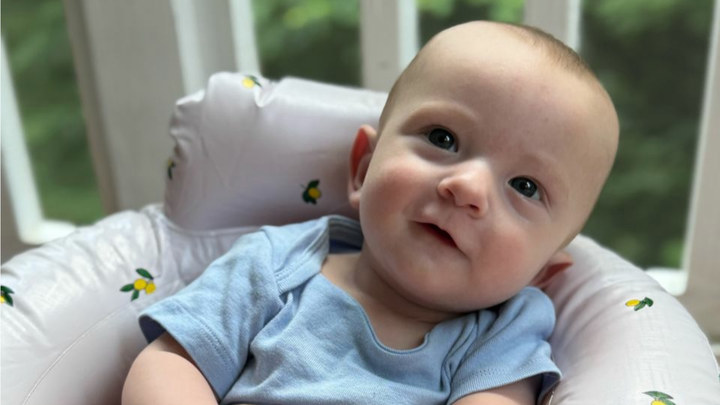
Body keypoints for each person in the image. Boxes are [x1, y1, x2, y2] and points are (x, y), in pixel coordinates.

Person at [122, 20, 619, 405]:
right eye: (443, 138)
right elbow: (171, 361)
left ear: (542, 272)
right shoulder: (275, 264)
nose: (467, 187)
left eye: (525, 187)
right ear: (363, 169)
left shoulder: (502, 332)